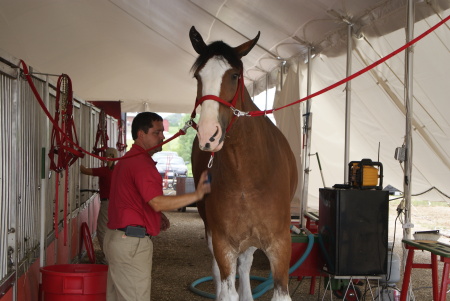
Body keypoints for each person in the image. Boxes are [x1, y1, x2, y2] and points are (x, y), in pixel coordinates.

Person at [104, 112, 211, 301]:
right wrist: (197, 195)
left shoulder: (127, 159)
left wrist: (154, 216)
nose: (162, 136)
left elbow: (129, 199)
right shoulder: (141, 164)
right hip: (131, 243)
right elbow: (157, 202)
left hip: (117, 238)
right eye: (157, 132)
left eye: (162, 132)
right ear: (141, 134)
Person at [80, 147, 118, 259]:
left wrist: (79, 161)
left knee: (101, 230)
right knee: (113, 230)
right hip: (117, 204)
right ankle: (113, 254)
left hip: (107, 203)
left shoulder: (105, 171)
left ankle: (108, 257)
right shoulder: (117, 170)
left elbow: (85, 171)